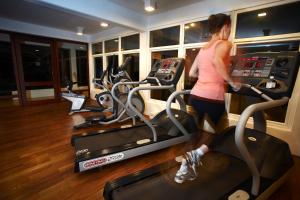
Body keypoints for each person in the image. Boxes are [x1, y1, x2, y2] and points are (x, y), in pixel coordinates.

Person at [174, 13, 241, 184]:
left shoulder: (203, 48)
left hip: (195, 97)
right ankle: (195, 156)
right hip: (213, 98)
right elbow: (218, 61)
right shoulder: (225, 43)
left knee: (199, 133)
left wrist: (206, 78)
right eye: (230, 28)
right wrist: (232, 82)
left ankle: (184, 170)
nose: (230, 32)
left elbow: (192, 73)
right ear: (225, 27)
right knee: (221, 133)